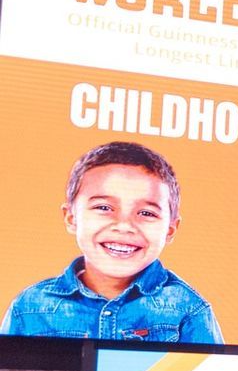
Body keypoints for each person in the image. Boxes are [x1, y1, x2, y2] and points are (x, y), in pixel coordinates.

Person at [1, 141, 223, 342]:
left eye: (146, 213)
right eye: (104, 208)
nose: (124, 225)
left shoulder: (188, 309)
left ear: (171, 229)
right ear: (71, 218)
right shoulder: (29, 307)